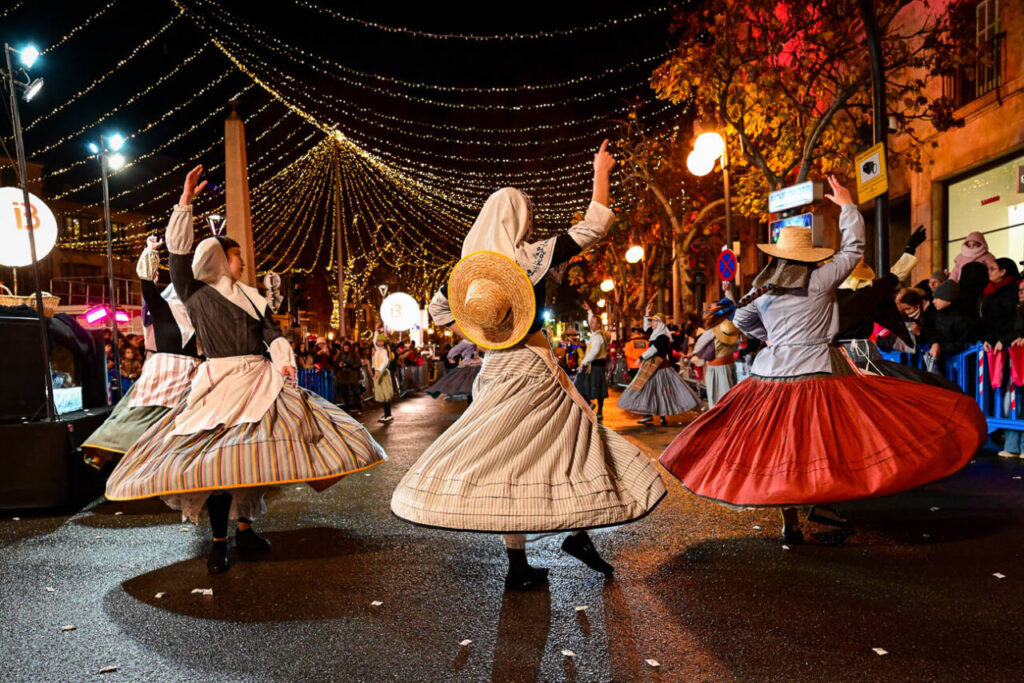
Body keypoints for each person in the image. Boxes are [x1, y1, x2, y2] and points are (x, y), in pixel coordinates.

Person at [391, 142, 665, 590]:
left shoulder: (469, 273)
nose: (532, 223)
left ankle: (520, 565)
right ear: (517, 219)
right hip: (534, 369)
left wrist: (484, 335)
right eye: (528, 216)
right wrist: (601, 171)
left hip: (495, 371)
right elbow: (595, 225)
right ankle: (579, 533)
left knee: (508, 463)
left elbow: (439, 313)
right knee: (573, 444)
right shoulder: (530, 258)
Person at [659, 175, 986, 544]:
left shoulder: (761, 293)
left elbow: (742, 324)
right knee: (822, 445)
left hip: (769, 378)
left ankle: (792, 520)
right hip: (819, 373)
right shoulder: (820, 281)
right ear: (808, 258)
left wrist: (775, 340)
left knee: (780, 451)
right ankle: (824, 502)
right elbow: (853, 248)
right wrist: (847, 206)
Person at [104, 166, 386, 574]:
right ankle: (219, 542)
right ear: (220, 257)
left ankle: (245, 529)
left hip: (259, 380)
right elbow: (179, 257)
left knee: (252, 459)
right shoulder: (195, 292)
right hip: (219, 382)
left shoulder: (254, 298)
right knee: (219, 464)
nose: (242, 261)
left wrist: (284, 361)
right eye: (237, 255)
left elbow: (272, 334)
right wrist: (185, 205)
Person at [82, 237, 201, 468]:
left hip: (194, 376)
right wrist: (149, 252)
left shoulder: (202, 313)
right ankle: (110, 450)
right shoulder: (162, 307)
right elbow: (146, 283)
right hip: (164, 373)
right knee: (142, 416)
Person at [618, 307, 701, 425]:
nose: (651, 323)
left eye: (653, 321)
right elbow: (647, 330)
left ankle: (660, 416)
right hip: (653, 367)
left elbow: (654, 349)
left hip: (661, 368)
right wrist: (646, 313)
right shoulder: (655, 334)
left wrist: (641, 358)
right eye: (651, 321)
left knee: (660, 392)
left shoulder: (662, 337)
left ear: (660, 323)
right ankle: (650, 414)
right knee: (650, 390)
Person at [692, 319, 739, 408]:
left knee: (717, 399)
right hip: (729, 365)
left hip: (716, 367)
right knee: (729, 398)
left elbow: (698, 347)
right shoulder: (731, 328)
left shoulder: (712, 331)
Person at [573, 305, 610, 421]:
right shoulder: (595, 335)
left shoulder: (598, 337)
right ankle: (590, 404)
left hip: (596, 366)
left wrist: (583, 363)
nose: (591, 324)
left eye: (593, 323)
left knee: (598, 389)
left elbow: (594, 352)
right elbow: (592, 320)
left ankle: (599, 410)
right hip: (593, 366)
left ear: (598, 325)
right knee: (585, 385)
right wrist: (590, 311)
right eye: (591, 322)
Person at [426, 337, 481, 404]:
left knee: (469, 388)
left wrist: (450, 357)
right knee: (475, 389)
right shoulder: (482, 340)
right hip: (479, 366)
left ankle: (472, 408)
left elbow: (453, 351)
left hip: (470, 367)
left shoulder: (467, 341)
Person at [336, 340, 363, 415]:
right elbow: (336, 363)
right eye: (345, 347)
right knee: (345, 393)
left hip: (352, 376)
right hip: (343, 376)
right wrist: (340, 364)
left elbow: (358, 364)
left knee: (355, 392)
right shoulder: (341, 354)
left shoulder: (354, 354)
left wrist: (349, 364)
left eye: (347, 347)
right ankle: (348, 408)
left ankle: (358, 407)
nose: (346, 349)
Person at [373, 333, 395, 423]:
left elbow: (385, 362)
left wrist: (378, 371)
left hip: (383, 374)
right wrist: (376, 330)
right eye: (378, 341)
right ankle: (386, 414)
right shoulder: (378, 351)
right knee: (382, 395)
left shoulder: (385, 351)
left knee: (386, 395)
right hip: (379, 373)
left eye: (381, 341)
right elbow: (374, 341)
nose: (379, 342)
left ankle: (388, 414)